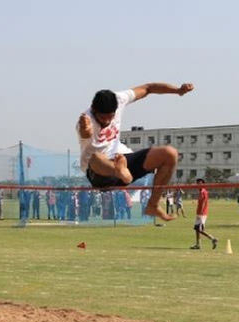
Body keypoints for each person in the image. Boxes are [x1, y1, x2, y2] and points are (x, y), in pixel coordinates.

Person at [77, 82, 194, 221]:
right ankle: (118, 170)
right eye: (102, 118)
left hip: (123, 161)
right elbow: (85, 133)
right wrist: (86, 129)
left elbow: (148, 88)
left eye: (111, 116)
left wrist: (177, 91)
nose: (107, 121)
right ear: (94, 109)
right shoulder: (86, 119)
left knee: (170, 154)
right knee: (96, 157)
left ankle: (153, 205)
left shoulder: (119, 99)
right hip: (99, 173)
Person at [190, 178, 218, 250]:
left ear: (203, 184)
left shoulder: (203, 192)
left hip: (201, 214)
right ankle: (198, 244)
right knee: (197, 229)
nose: (198, 185)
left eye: (200, 183)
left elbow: (204, 202)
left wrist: (201, 213)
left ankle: (213, 239)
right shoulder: (201, 192)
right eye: (197, 183)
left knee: (200, 229)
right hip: (199, 213)